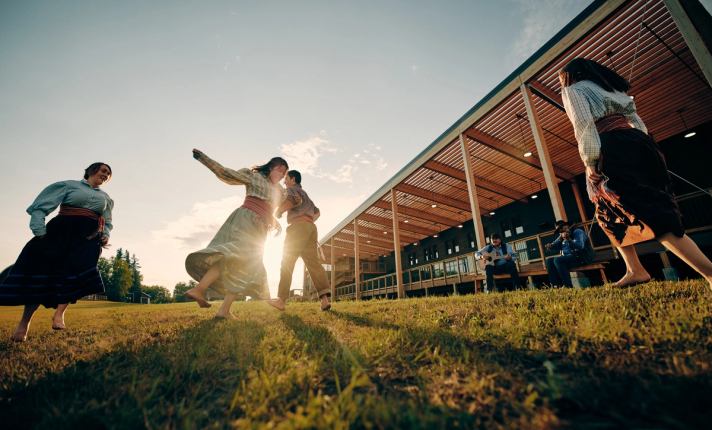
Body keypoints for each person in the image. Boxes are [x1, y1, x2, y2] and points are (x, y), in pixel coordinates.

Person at [560, 58, 712, 290]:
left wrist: (591, 163)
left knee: (652, 213)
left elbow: (583, 125)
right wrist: (643, 145)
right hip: (639, 142)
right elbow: (636, 120)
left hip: (611, 146)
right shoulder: (613, 88)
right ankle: (635, 269)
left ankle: (709, 273)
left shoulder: (573, 90)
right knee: (605, 210)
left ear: (570, 76)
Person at [0, 163, 113, 342]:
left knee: (76, 275)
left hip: (87, 240)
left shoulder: (106, 198)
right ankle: (24, 324)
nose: (106, 175)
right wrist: (40, 232)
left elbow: (107, 221)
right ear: (92, 171)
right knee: (41, 275)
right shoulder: (69, 185)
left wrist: (105, 235)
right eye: (103, 170)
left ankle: (59, 314)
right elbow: (40, 207)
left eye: (109, 174)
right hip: (59, 235)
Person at [184, 149, 287, 319]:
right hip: (245, 221)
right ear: (270, 167)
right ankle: (203, 292)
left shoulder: (280, 191)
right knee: (237, 258)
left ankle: (215, 303)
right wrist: (204, 158)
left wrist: (275, 222)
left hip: (260, 229)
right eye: (280, 169)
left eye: (284, 173)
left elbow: (272, 206)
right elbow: (225, 173)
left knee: (238, 263)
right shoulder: (254, 176)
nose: (282, 174)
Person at [267, 170, 331, 312]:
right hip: (310, 228)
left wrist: (279, 211)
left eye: (286, 178)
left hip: (297, 228)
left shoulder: (292, 190)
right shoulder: (306, 194)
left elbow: (293, 199)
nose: (284, 181)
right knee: (313, 263)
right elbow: (317, 212)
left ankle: (281, 300)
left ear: (293, 179)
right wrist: (308, 220)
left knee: (287, 262)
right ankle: (325, 300)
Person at [545, 220, 594, 288]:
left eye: (563, 228)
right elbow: (555, 245)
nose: (562, 230)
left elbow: (580, 246)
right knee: (549, 261)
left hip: (582, 257)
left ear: (567, 226)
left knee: (558, 260)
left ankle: (568, 285)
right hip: (570, 259)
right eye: (560, 230)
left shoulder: (577, 232)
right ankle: (555, 285)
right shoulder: (561, 236)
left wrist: (569, 240)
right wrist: (550, 246)